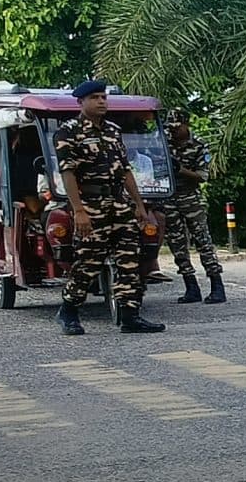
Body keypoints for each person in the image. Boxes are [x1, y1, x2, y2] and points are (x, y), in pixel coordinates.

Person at [53, 80, 163, 336]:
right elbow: (68, 172)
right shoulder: (68, 131)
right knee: (88, 263)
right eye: (95, 98)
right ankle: (69, 310)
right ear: (81, 102)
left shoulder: (113, 130)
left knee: (129, 261)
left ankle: (129, 315)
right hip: (91, 206)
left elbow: (125, 170)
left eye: (103, 97)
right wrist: (78, 210)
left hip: (119, 204)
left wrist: (139, 205)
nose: (101, 101)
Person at [163, 112, 225, 304]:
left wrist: (179, 169)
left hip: (190, 197)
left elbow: (202, 176)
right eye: (170, 127)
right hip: (169, 197)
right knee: (177, 243)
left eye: (176, 127)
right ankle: (191, 287)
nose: (172, 131)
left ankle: (217, 286)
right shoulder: (164, 142)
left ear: (186, 124)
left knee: (203, 240)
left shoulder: (198, 144)